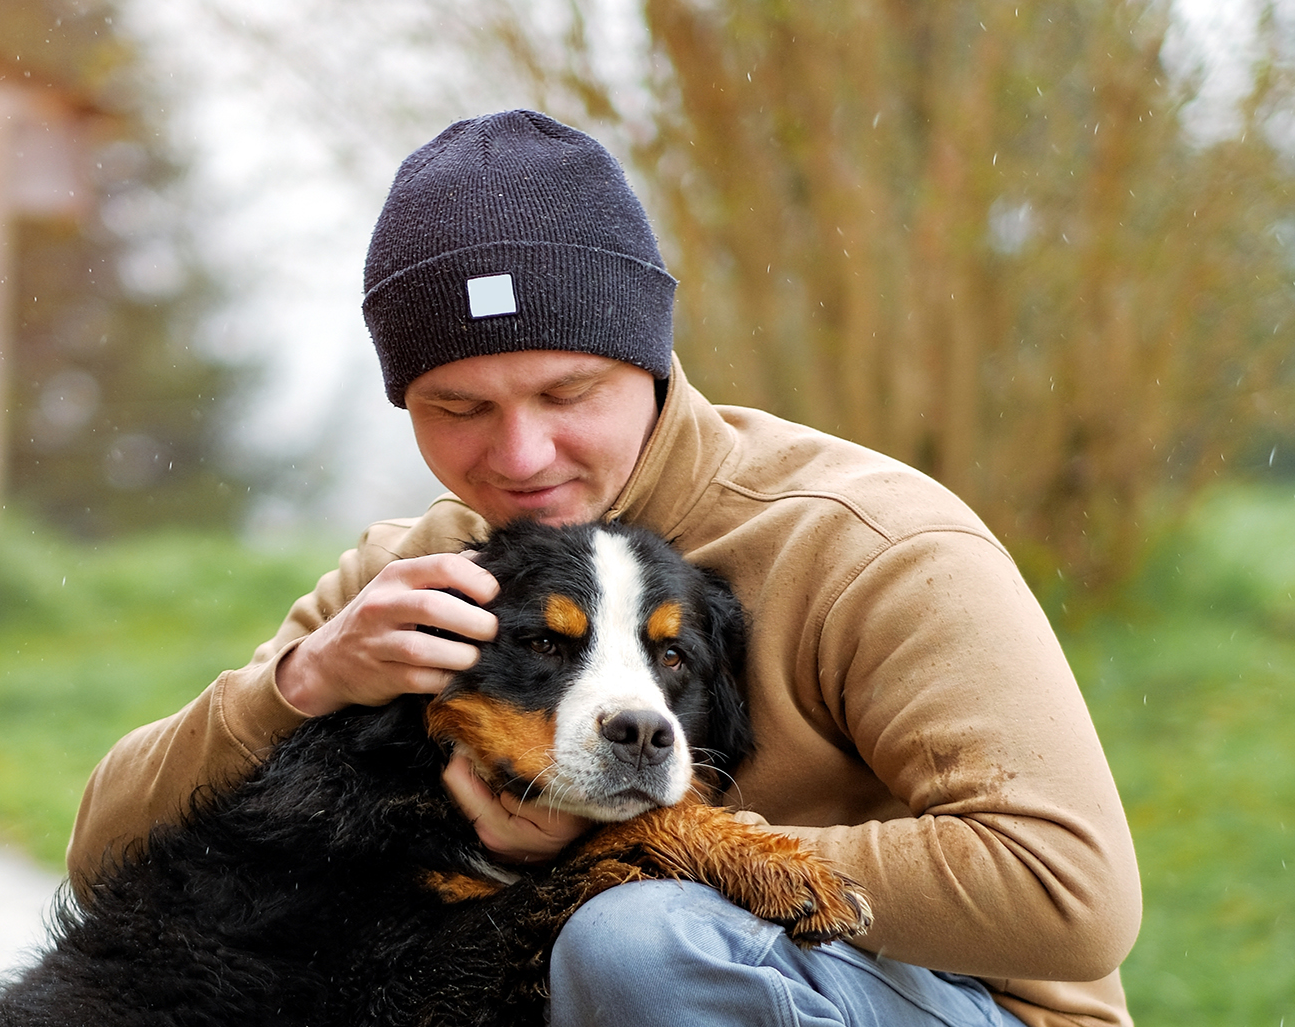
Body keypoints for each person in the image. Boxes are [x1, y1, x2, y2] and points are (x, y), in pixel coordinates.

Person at [66, 109, 1142, 1027]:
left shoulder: (865, 543)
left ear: (647, 361)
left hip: (945, 1002)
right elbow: (107, 863)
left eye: (566, 394)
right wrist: (297, 684)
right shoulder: (422, 571)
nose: (519, 456)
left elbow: (1069, 891)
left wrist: (656, 845)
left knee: (641, 941)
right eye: (458, 408)